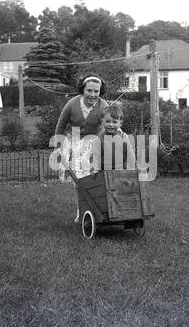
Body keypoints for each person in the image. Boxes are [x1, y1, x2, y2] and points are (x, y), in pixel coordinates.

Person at [50, 74, 108, 222]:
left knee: (96, 178)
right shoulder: (72, 103)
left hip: (94, 145)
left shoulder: (103, 105)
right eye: (89, 90)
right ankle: (81, 211)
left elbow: (109, 125)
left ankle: (99, 208)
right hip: (74, 145)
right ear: (82, 89)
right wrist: (57, 147)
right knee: (79, 181)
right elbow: (61, 124)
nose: (93, 95)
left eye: (96, 91)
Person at [89, 102, 136, 173]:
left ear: (120, 123)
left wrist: (131, 169)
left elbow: (130, 155)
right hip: (103, 171)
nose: (111, 125)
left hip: (120, 171)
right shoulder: (99, 140)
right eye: (107, 121)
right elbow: (95, 155)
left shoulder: (123, 138)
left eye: (114, 122)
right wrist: (94, 169)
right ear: (102, 122)